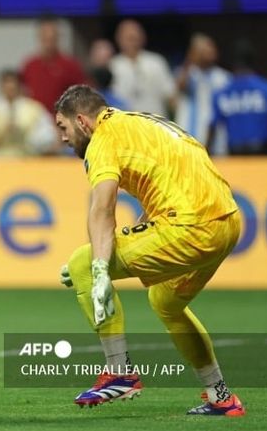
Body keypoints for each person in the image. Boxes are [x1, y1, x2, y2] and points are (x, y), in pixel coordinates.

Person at [54, 84, 245, 416]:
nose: (62, 138)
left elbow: (102, 209)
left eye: (63, 127)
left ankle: (119, 372)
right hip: (226, 222)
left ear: (83, 121)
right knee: (166, 301)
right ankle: (220, 396)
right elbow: (169, 182)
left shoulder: (103, 140)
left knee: (82, 263)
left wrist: (99, 270)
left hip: (190, 226)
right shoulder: (142, 122)